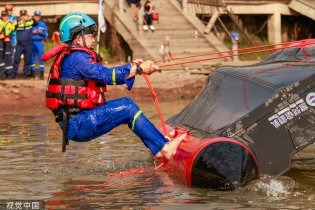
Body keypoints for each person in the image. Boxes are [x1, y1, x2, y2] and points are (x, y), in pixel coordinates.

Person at [42, 12, 186, 160]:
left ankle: (158, 150)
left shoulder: (74, 56)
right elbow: (106, 76)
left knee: (126, 106)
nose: (93, 37)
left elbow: (105, 74)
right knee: (128, 107)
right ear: (78, 39)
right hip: (78, 124)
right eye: (90, 34)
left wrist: (132, 66)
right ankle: (166, 148)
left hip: (78, 121)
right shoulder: (77, 58)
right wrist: (138, 69)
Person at [12, 9, 37, 79]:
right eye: (22, 15)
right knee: (16, 60)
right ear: (20, 16)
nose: (23, 16)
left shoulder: (30, 21)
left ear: (26, 15)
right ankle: (14, 74)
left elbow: (36, 23)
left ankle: (25, 74)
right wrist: (19, 22)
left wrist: (32, 18)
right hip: (19, 44)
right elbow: (13, 28)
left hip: (28, 44)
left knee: (27, 60)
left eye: (24, 15)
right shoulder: (17, 21)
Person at [30, 10, 48, 80]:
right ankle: (32, 75)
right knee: (32, 58)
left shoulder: (43, 24)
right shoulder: (30, 23)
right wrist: (32, 32)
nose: (36, 17)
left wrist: (41, 32)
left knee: (41, 58)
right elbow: (26, 33)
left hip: (39, 42)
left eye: (38, 16)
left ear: (40, 17)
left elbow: (46, 34)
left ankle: (41, 75)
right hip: (32, 42)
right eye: (35, 16)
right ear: (33, 16)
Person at [0, 10, 15, 79]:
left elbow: (8, 32)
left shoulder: (10, 23)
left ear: (8, 16)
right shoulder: (1, 22)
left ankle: (8, 74)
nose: (4, 17)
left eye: (5, 16)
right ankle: (2, 74)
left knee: (8, 59)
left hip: (7, 43)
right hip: (1, 42)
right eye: (3, 16)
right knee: (0, 58)